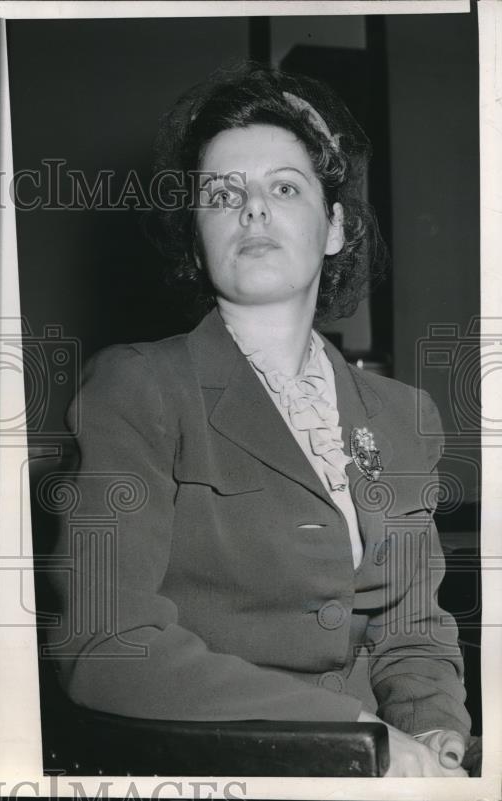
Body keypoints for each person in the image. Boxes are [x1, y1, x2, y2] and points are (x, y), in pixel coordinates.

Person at [48, 65, 471, 777]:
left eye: (284, 187)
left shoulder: (403, 416)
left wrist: (434, 731)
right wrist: (359, 738)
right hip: (215, 768)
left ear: (334, 226)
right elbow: (106, 644)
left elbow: (412, 633)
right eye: (223, 194)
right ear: (196, 234)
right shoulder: (138, 387)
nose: (253, 211)